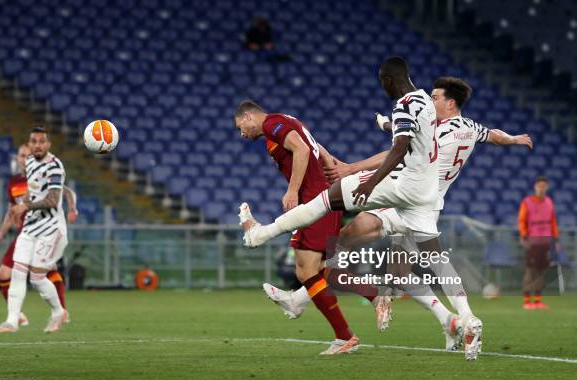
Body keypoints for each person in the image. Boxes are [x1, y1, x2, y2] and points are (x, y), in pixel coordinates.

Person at [262, 77, 534, 358]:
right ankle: (453, 320)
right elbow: (495, 135)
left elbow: (399, 150)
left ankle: (300, 296)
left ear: (450, 103)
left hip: (405, 200)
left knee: (345, 241)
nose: (431, 100)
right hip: (427, 206)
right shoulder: (470, 128)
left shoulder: (437, 131)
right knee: (400, 273)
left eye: (436, 97)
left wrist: (351, 168)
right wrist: (515, 139)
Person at [235, 100, 378, 355]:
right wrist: (328, 159)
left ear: (248, 116)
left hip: (315, 204)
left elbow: (301, 149)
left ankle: (345, 333)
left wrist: (292, 190)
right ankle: (371, 299)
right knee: (319, 270)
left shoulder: (271, 123)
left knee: (306, 271)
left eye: (240, 127)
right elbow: (311, 142)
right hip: (319, 200)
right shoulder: (284, 122)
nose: (241, 134)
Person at [0, 127, 70, 333]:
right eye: (33, 141)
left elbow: (53, 200)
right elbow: (31, 193)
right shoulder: (32, 163)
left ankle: (58, 312)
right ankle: (11, 321)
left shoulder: (55, 166)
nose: (37, 145)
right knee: (16, 272)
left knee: (37, 277)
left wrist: (24, 206)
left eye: (41, 141)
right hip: (30, 227)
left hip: (51, 228)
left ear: (48, 144)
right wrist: (20, 206)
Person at [518, 176, 559, 310]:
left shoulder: (549, 202)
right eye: (539, 186)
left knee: (542, 271)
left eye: (544, 186)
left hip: (546, 241)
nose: (541, 188)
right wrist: (524, 237)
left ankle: (537, 300)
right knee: (531, 270)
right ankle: (527, 300)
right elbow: (522, 220)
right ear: (535, 187)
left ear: (546, 187)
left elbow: (553, 222)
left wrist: (556, 239)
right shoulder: (527, 202)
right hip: (532, 240)